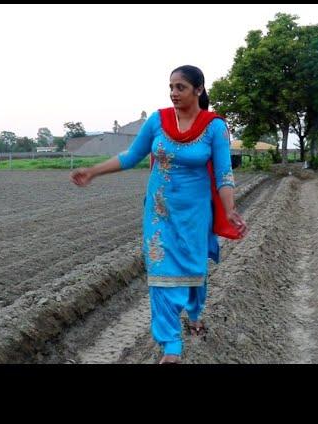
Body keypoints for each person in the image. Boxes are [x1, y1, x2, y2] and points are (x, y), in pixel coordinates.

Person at [70, 65, 247, 364]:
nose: (174, 93)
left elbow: (223, 174)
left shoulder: (214, 127)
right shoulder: (158, 121)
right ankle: (171, 345)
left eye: (181, 87)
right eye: (171, 87)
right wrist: (93, 171)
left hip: (195, 214)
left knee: (193, 270)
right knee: (161, 274)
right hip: (159, 213)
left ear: (198, 90)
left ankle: (193, 313)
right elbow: (130, 157)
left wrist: (230, 209)